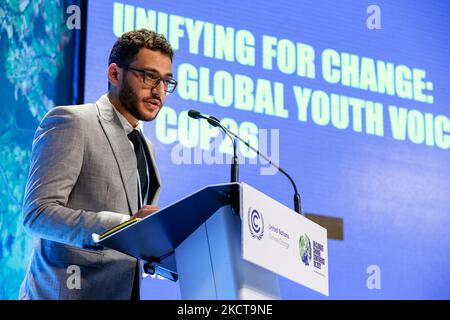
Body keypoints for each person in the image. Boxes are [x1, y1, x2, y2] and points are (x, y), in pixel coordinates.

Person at [19, 29, 177, 300]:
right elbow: (38, 215)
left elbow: (133, 243)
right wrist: (125, 226)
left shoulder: (145, 147)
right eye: (150, 76)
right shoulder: (72, 122)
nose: (159, 91)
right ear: (115, 74)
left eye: (167, 82)